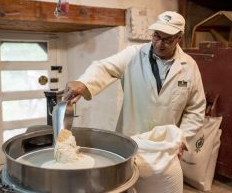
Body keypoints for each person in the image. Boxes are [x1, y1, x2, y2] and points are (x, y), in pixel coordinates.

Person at [63, 11, 206, 158]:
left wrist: (182, 138)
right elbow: (104, 67)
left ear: (179, 38)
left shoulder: (189, 66)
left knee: (161, 181)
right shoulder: (134, 55)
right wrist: (83, 82)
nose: (159, 43)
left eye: (167, 39)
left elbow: (195, 109)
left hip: (165, 146)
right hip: (131, 140)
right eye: (156, 36)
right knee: (130, 179)